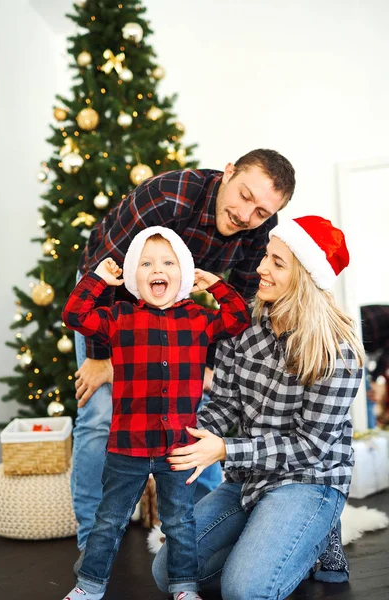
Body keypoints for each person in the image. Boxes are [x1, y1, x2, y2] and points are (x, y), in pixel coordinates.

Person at [71, 148, 296, 563]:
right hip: (113, 307)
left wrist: (211, 367)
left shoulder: (258, 230)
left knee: (197, 419)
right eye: (245, 196)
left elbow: (243, 302)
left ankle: (193, 536)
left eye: (262, 212)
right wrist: (104, 358)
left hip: (181, 322)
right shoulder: (170, 196)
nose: (248, 216)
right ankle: (92, 542)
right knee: (100, 415)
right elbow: (102, 266)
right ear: (228, 172)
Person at [153, 216, 365, 600]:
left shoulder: (338, 353)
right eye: (267, 255)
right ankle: (272, 534)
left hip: (309, 480)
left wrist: (225, 449)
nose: (261, 268)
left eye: (277, 263)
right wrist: (181, 438)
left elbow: (310, 447)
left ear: (305, 277)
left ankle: (314, 536)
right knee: (167, 571)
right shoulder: (243, 327)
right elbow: (224, 404)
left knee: (244, 590)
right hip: (248, 478)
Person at [62, 227, 251, 600]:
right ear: (133, 276)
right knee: (109, 521)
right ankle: (89, 585)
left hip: (179, 449)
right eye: (145, 263)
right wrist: (97, 280)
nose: (156, 269)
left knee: (181, 521)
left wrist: (216, 286)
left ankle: (183, 586)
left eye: (167, 262)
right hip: (127, 448)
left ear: (183, 275)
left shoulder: (198, 319)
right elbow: (75, 315)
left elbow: (238, 318)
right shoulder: (119, 317)